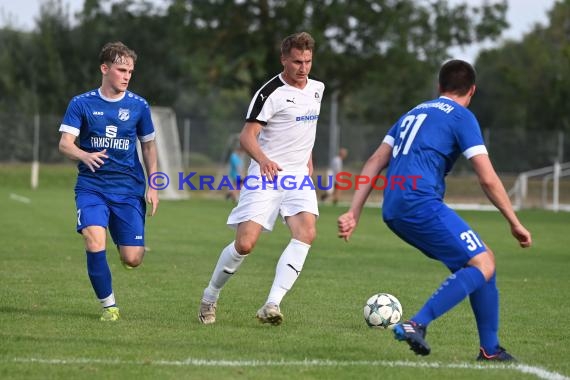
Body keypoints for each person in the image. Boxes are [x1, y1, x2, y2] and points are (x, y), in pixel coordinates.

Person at [337, 60, 531, 360]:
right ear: (473, 90)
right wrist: (514, 221)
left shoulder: (412, 113)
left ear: (439, 87)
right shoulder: (461, 117)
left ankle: (490, 350)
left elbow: (375, 160)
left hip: (394, 207)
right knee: (482, 264)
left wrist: (354, 211)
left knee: (483, 264)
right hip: (420, 202)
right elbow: (487, 177)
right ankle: (417, 323)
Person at [198, 32, 325, 326]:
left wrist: (309, 164)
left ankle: (272, 303)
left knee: (306, 232)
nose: (303, 67)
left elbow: (304, 134)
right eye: (296, 61)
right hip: (266, 175)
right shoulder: (270, 93)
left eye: (307, 61)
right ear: (284, 59)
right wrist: (265, 159)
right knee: (244, 244)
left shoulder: (318, 89)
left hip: (298, 177)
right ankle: (210, 296)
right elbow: (247, 136)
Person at [58, 41, 159, 321]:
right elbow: (65, 144)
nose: (127, 76)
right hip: (92, 187)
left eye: (130, 71)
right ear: (105, 69)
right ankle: (109, 306)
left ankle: (122, 238)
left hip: (128, 189)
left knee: (132, 258)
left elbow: (149, 146)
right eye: (121, 69)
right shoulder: (82, 103)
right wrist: (83, 154)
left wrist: (154, 184)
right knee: (93, 240)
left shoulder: (139, 106)